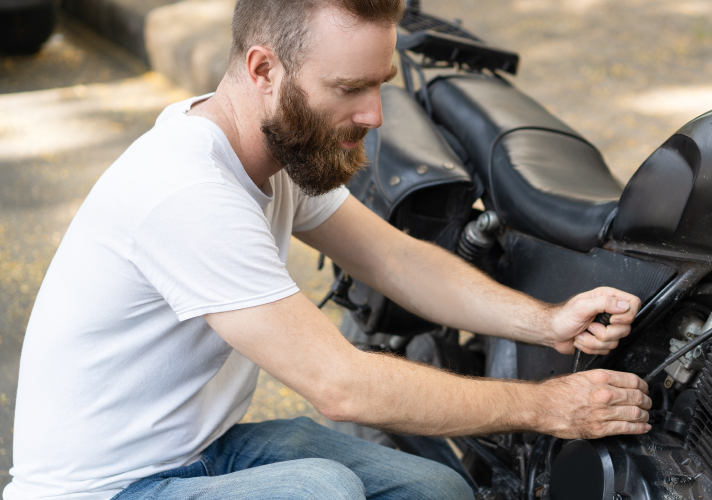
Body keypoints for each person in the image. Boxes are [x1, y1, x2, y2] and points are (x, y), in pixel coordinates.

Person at [4, 0, 652, 498]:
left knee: (436, 489)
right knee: (322, 493)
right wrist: (547, 408)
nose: (374, 113)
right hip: (102, 488)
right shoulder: (186, 193)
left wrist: (545, 321)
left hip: (201, 451)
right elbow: (341, 387)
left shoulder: (277, 147)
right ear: (264, 69)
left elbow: (394, 259)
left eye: (380, 84)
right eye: (349, 88)